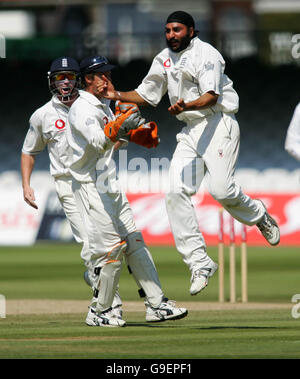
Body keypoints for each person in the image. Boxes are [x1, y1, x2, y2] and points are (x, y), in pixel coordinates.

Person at [103, 10, 281, 297]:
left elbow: (211, 96)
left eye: (177, 30)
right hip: (190, 131)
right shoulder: (162, 58)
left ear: (191, 30)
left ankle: (259, 214)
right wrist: (115, 95)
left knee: (221, 190)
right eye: (168, 30)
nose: (171, 35)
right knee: (174, 193)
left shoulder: (207, 54)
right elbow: (147, 94)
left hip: (217, 123)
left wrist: (185, 106)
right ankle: (200, 263)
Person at [66, 55, 188, 327]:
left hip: (109, 183)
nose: (107, 79)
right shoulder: (81, 108)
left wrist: (137, 133)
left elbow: (115, 140)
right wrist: (122, 125)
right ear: (88, 79)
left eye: (108, 73)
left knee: (134, 241)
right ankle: (99, 311)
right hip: (90, 186)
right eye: (102, 75)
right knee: (111, 250)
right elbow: (99, 141)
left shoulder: (104, 105)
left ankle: (156, 305)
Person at [21, 56, 124, 317]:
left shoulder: (96, 106)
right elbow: (28, 151)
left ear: (78, 79)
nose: (65, 82)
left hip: (98, 179)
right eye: (59, 77)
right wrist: (26, 185)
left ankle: (101, 289)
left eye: (69, 77)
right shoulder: (42, 115)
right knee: (91, 244)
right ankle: (109, 306)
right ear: (52, 81)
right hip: (68, 184)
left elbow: (114, 140)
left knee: (107, 243)